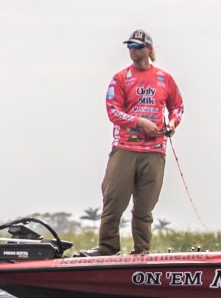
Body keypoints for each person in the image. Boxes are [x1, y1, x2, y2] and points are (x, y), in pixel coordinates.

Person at [77, 29, 184, 257]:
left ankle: (141, 251)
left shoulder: (165, 78)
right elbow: (113, 111)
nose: (132, 50)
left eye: (136, 46)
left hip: (155, 151)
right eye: (129, 46)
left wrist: (172, 124)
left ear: (149, 49)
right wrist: (140, 122)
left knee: (145, 207)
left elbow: (177, 107)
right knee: (113, 201)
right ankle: (107, 248)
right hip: (125, 149)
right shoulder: (120, 78)